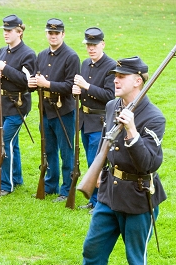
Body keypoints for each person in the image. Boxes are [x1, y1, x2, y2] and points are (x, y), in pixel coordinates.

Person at [51, 56, 167, 265]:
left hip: (139, 198)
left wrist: (132, 132)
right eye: (115, 75)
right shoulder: (113, 105)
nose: (115, 80)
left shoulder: (153, 117)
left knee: (135, 261)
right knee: (93, 250)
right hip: (109, 194)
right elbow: (105, 143)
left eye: (122, 76)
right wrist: (99, 172)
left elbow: (150, 163)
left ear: (138, 80)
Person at [28, 18, 80, 202]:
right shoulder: (41, 55)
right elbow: (36, 79)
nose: (53, 36)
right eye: (50, 33)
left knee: (66, 152)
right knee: (48, 150)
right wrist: (32, 83)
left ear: (63, 34)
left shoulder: (71, 56)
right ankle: (50, 185)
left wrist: (47, 84)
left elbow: (69, 86)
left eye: (56, 33)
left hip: (63, 110)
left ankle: (66, 190)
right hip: (45, 110)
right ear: (46, 34)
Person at [0, 14, 36, 196]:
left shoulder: (28, 54)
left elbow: (28, 82)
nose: (6, 34)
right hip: (4, 103)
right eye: (4, 30)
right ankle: (16, 179)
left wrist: (4, 69)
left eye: (9, 31)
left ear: (19, 32)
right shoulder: (3, 51)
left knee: (5, 142)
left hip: (19, 104)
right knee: (13, 143)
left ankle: (6, 185)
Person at [72, 27, 115, 213]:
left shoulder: (111, 66)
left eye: (94, 45)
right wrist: (77, 92)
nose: (91, 48)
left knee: (97, 162)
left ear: (103, 44)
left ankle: (100, 201)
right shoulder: (85, 63)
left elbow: (110, 96)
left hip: (100, 121)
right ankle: (94, 199)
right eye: (88, 45)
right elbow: (84, 93)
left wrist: (86, 86)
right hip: (85, 119)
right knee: (91, 162)